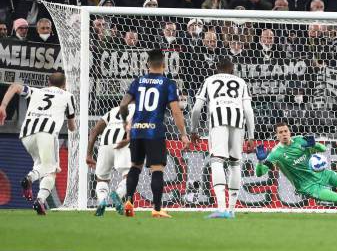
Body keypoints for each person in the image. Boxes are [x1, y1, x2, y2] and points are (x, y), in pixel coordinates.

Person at [119, 49, 190, 218]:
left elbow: (123, 105)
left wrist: (124, 122)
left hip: (137, 131)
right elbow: (176, 112)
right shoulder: (168, 83)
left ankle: (129, 203)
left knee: (135, 166)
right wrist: (183, 133)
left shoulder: (137, 81)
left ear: (147, 65)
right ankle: (157, 209)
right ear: (164, 65)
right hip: (154, 131)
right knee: (157, 169)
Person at [0, 72, 77, 215]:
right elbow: (72, 127)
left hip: (27, 134)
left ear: (48, 83)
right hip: (47, 133)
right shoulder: (68, 96)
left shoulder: (37, 91)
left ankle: (40, 201)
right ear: (64, 85)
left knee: (43, 167)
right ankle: (30, 177)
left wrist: (3, 106)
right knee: (51, 168)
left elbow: (15, 86)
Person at [190, 58, 255, 218]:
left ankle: (221, 208)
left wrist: (193, 130)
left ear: (216, 69)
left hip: (218, 120)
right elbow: (248, 110)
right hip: (238, 122)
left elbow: (196, 109)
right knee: (235, 163)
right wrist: (251, 135)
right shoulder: (240, 82)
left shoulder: (209, 80)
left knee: (217, 161)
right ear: (232, 70)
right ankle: (232, 210)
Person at [86, 103, 135, 216]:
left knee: (102, 179)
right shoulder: (140, 109)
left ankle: (102, 201)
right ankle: (118, 194)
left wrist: (89, 154)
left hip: (105, 143)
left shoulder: (114, 110)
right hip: (123, 142)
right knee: (130, 175)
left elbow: (94, 131)